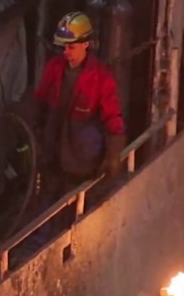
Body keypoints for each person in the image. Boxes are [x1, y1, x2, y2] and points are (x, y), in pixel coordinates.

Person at [25, 11, 127, 200]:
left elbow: (113, 117)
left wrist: (113, 154)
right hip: (52, 156)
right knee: (49, 203)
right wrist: (32, 127)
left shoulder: (101, 78)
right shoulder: (54, 68)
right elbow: (40, 100)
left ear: (85, 44)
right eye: (63, 47)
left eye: (71, 47)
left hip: (81, 163)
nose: (66, 52)